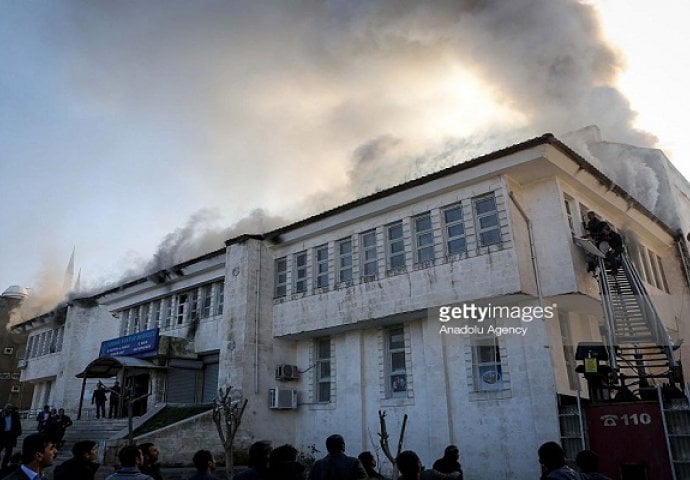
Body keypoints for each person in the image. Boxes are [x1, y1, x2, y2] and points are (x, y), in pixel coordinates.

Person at [0, 404, 22, 469]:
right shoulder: (1, 415)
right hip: (2, 436)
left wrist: (17, 433)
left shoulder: (15, 416)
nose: (9, 410)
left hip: (10, 437)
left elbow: (18, 426)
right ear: (5, 409)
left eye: (10, 409)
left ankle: (4, 466)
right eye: (8, 408)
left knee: (8, 453)